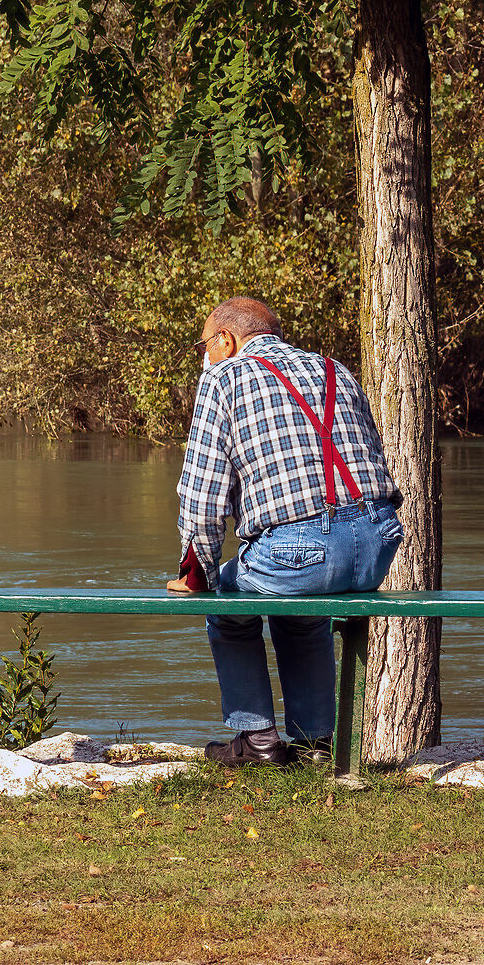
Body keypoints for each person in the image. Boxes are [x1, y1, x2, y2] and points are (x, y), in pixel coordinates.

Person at [167, 296, 404, 766]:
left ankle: (256, 741)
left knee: (227, 605)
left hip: (305, 550)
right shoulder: (335, 369)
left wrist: (198, 572)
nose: (203, 356)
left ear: (226, 340)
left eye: (203, 345)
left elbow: (203, 495)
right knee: (302, 611)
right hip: (377, 544)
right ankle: (315, 744)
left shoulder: (223, 377)